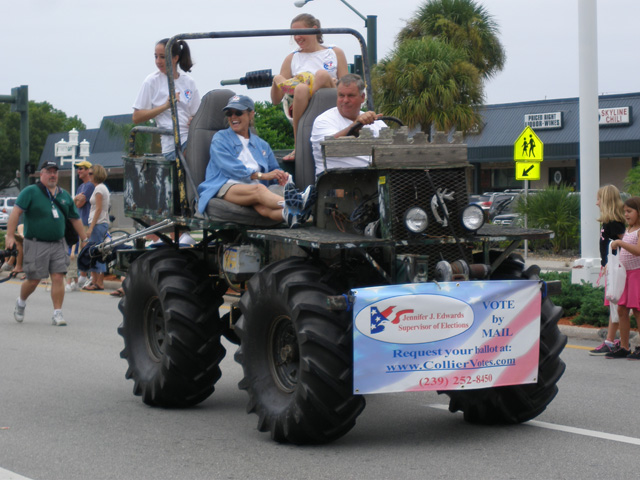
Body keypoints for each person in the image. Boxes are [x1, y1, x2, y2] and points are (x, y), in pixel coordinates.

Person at [197, 95, 316, 228]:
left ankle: (292, 214)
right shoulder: (220, 138)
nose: (233, 117)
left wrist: (281, 176)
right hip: (225, 184)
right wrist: (262, 176)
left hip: (252, 186)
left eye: (238, 112)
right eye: (229, 113)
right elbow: (231, 169)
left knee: (262, 207)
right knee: (258, 190)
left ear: (251, 114)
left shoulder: (262, 144)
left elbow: (273, 168)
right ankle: (299, 202)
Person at [6, 161, 87, 326]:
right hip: (36, 242)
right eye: (48, 172)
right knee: (34, 280)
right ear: (41, 174)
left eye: (55, 172)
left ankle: (57, 313)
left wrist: (84, 239)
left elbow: (75, 219)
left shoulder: (64, 195)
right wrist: (9, 235)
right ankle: (21, 302)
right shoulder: (30, 192)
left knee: (58, 276)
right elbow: (16, 212)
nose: (52, 175)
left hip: (58, 243)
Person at [271, 13, 348, 161]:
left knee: (321, 75)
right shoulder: (292, 58)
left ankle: (309, 91)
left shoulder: (334, 52)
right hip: (303, 103)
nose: (297, 37)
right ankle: (298, 144)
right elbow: (275, 100)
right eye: (294, 34)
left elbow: (347, 84)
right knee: (299, 88)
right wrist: (276, 81)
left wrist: (335, 81)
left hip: (330, 99)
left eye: (300, 32)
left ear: (314, 29)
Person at [132, 38, 201, 160]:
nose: (158, 61)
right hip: (173, 145)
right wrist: (165, 106)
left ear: (175, 58)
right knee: (200, 154)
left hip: (193, 137)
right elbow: (136, 117)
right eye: (156, 56)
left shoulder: (188, 81)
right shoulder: (151, 81)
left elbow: (197, 113)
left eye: (162, 57)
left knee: (217, 145)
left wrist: (194, 118)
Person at [311, 74, 387, 178]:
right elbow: (329, 146)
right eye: (341, 95)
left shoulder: (378, 123)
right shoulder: (323, 120)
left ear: (362, 97)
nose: (345, 100)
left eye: (350, 96)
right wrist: (356, 125)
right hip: (336, 182)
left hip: (376, 180)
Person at [589, 185, 626, 355]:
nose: (596, 203)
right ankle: (611, 340)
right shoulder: (608, 221)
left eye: (599, 199)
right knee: (614, 303)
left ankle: (611, 341)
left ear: (607, 201)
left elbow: (626, 243)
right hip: (611, 266)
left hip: (618, 267)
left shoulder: (615, 223)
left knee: (616, 302)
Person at [606, 196, 640, 359]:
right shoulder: (629, 229)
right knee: (621, 309)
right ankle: (625, 346)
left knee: (638, 310)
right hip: (626, 275)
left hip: (637, 274)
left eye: (629, 211)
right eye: (624, 212)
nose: (626, 215)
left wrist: (620, 243)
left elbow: (638, 251)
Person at [82, 164, 111, 291]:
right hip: (100, 223)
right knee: (96, 251)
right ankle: (95, 280)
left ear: (97, 175)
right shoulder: (100, 188)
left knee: (96, 253)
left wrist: (90, 228)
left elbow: (98, 209)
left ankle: (99, 282)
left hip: (98, 224)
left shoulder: (99, 189)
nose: (89, 175)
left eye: (91, 173)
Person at [69, 159, 95, 290]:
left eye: (81, 168)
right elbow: (75, 203)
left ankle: (87, 276)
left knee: (85, 250)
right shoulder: (80, 187)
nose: (78, 171)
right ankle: (81, 276)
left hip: (87, 222)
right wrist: (76, 198)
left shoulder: (90, 186)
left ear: (88, 170)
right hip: (80, 222)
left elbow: (80, 204)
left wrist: (76, 200)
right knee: (79, 250)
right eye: (78, 169)